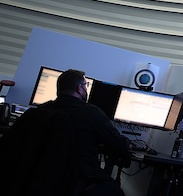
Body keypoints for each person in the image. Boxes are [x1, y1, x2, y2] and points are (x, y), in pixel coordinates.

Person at [0, 69, 131, 196]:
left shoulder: (36, 112)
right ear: (80, 88)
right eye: (86, 86)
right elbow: (119, 146)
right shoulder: (92, 113)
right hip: (74, 182)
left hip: (34, 181)